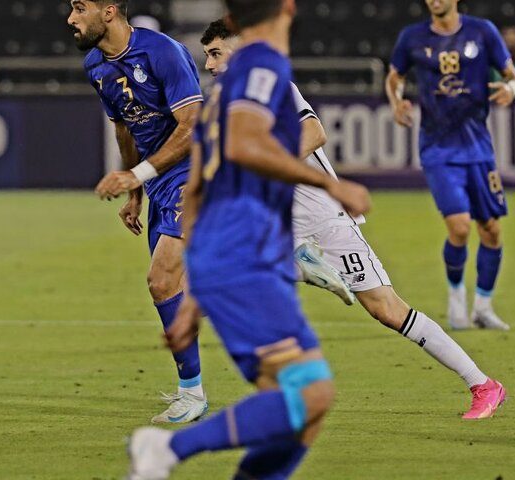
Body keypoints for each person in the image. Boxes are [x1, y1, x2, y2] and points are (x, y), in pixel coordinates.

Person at [201, 18, 505, 420]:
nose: (208, 64)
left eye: (216, 54)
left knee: (387, 310)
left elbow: (314, 130)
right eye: (207, 56)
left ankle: (483, 384)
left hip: (323, 219)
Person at [127, 0, 372, 477]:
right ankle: (165, 450)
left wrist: (194, 296)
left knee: (302, 413)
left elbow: (198, 183)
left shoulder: (223, 93)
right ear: (287, 7)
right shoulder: (261, 64)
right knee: (307, 395)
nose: (212, 63)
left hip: (234, 259)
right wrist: (329, 183)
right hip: (244, 260)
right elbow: (242, 146)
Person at [68, 0, 208, 423]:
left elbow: (193, 123)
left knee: (161, 279)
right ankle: (280, 257)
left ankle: (193, 395)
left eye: (79, 8)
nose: (71, 19)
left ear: (108, 12)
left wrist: (135, 176)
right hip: (159, 180)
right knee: (170, 288)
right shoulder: (96, 64)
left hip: (196, 171)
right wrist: (137, 190)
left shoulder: (162, 52)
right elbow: (124, 125)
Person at [385, 0, 515, 332]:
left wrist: (511, 88)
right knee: (460, 227)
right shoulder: (412, 37)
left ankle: (484, 307)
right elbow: (394, 76)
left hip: (478, 148)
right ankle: (456, 299)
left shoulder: (482, 31)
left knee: (491, 229)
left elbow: (512, 75)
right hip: (438, 148)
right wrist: (397, 101)